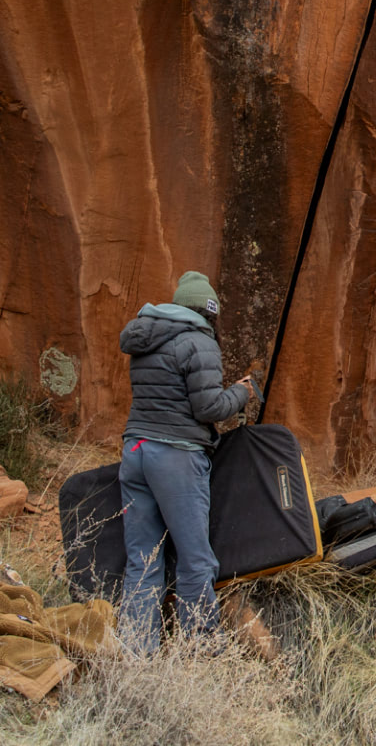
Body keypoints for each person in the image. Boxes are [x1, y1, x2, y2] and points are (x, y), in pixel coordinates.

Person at [118, 270, 253, 653]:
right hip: (176, 458)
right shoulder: (199, 341)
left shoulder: (145, 337)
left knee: (143, 561)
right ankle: (200, 648)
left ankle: (136, 652)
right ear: (208, 312)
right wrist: (241, 394)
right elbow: (209, 407)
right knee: (196, 560)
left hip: (135, 451)